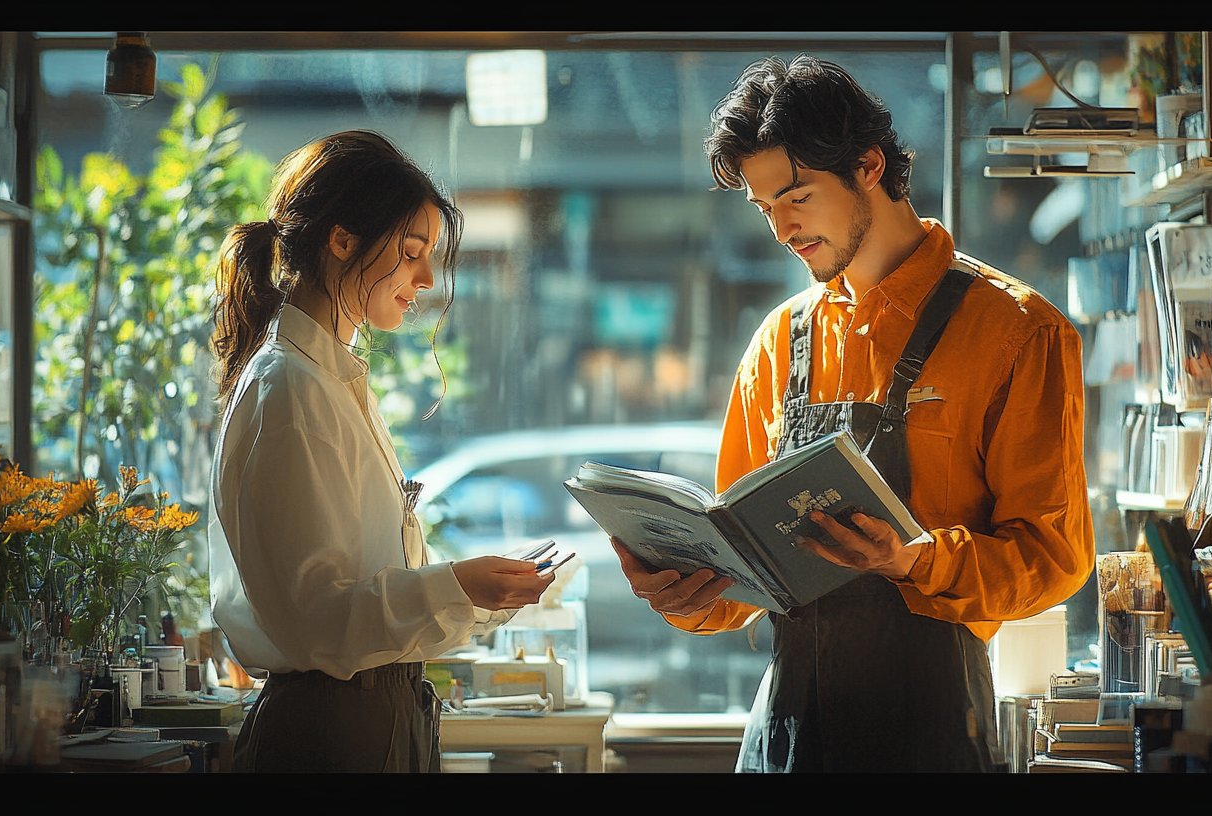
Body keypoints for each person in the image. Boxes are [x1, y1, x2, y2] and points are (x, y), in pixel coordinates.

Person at [610, 55, 1095, 773]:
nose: (782, 227)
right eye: (765, 206)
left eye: (797, 196)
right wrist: (680, 589)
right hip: (784, 739)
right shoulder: (778, 342)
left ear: (869, 164)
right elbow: (740, 570)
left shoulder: (1019, 332)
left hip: (932, 738)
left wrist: (913, 559)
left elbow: (1054, 560)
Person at [206, 129, 555, 773]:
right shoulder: (292, 389)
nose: (426, 278)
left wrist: (477, 593)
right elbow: (318, 618)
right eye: (412, 251)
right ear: (342, 241)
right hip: (335, 727)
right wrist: (456, 585)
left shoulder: (332, 381)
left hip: (375, 714)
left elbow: (364, 591)